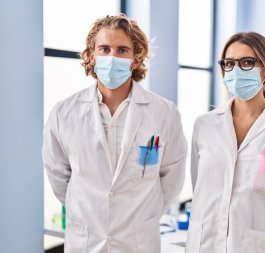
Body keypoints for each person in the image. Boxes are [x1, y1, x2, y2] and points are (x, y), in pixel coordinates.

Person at [43, 14, 187, 253]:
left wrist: (140, 216)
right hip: (85, 241)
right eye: (104, 49)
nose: (112, 57)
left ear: (136, 59)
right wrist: (92, 210)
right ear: (91, 55)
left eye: (122, 50)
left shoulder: (165, 113)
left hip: (137, 242)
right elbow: (59, 177)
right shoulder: (63, 113)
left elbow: (172, 178)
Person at [185, 32, 265, 253]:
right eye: (229, 63)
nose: (236, 70)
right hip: (205, 245)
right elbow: (200, 187)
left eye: (246, 62)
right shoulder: (204, 125)